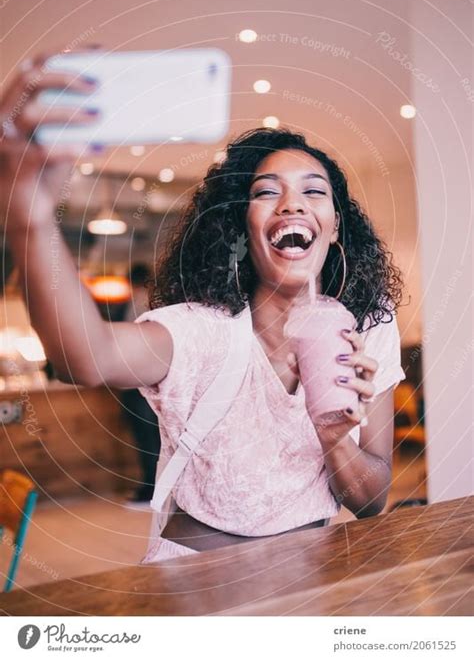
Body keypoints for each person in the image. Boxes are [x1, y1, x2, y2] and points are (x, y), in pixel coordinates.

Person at [0, 50, 405, 562]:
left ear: (335, 224)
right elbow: (88, 355)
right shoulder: (202, 334)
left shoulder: (369, 331)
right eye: (266, 192)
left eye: (313, 191)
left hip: (310, 579)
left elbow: (372, 501)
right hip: (194, 584)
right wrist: (30, 222)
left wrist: (334, 436)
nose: (292, 203)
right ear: (241, 227)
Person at [121, 263, 161, 505]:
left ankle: (151, 488)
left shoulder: (139, 302)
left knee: (147, 437)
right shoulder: (161, 301)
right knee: (153, 435)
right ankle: (153, 487)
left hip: (139, 382)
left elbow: (131, 344)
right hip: (152, 381)